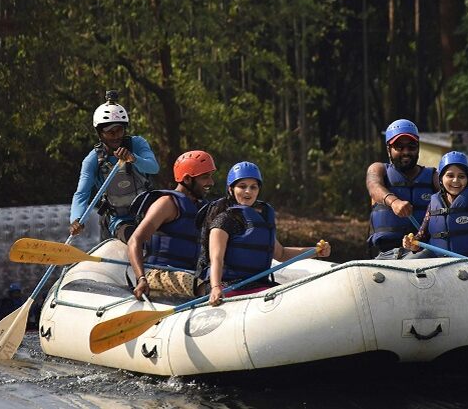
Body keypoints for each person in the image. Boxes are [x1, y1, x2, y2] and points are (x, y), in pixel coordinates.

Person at [196, 161, 332, 306]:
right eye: (242, 186)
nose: (248, 191)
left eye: (253, 187)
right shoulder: (223, 219)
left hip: (258, 286)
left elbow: (281, 254)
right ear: (231, 189)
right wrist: (216, 287)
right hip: (228, 285)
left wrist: (316, 251)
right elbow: (216, 259)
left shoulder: (263, 217)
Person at [69, 90, 160, 242]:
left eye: (120, 130)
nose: (116, 136)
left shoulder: (137, 144)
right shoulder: (92, 160)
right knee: (136, 239)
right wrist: (76, 219)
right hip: (119, 220)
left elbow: (153, 167)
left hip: (148, 213)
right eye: (110, 132)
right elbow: (81, 194)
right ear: (100, 133)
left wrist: (133, 158)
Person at [127, 150, 217, 300]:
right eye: (205, 177)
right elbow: (134, 241)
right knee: (206, 287)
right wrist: (141, 278)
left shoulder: (202, 207)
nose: (211, 182)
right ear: (187, 179)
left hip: (190, 274)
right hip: (157, 274)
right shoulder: (167, 203)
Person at [366, 119, 439, 258]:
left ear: (418, 148)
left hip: (423, 253)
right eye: (399, 147)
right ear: (389, 149)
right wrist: (394, 202)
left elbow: (451, 190)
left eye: (411, 146)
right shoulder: (379, 169)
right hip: (385, 254)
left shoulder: (433, 176)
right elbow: (374, 186)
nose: (406, 152)